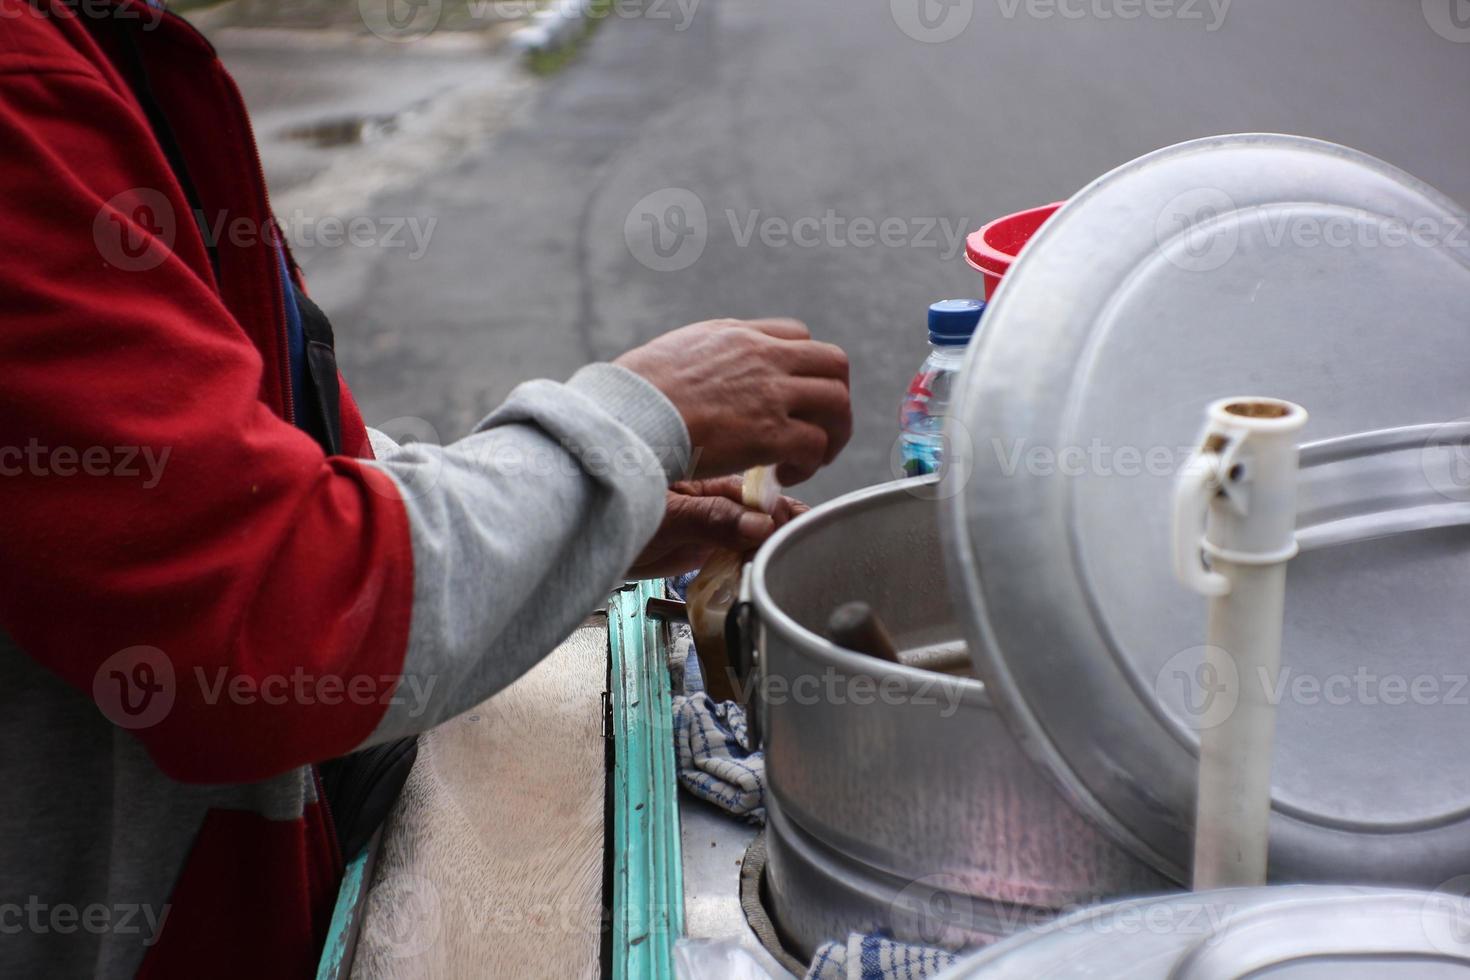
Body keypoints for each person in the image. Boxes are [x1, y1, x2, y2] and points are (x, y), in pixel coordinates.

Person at [0, 1, 853, 976]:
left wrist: (584, 522)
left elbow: (274, 472)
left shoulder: (109, 45)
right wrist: (636, 419)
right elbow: (274, 611)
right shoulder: (24, 100)